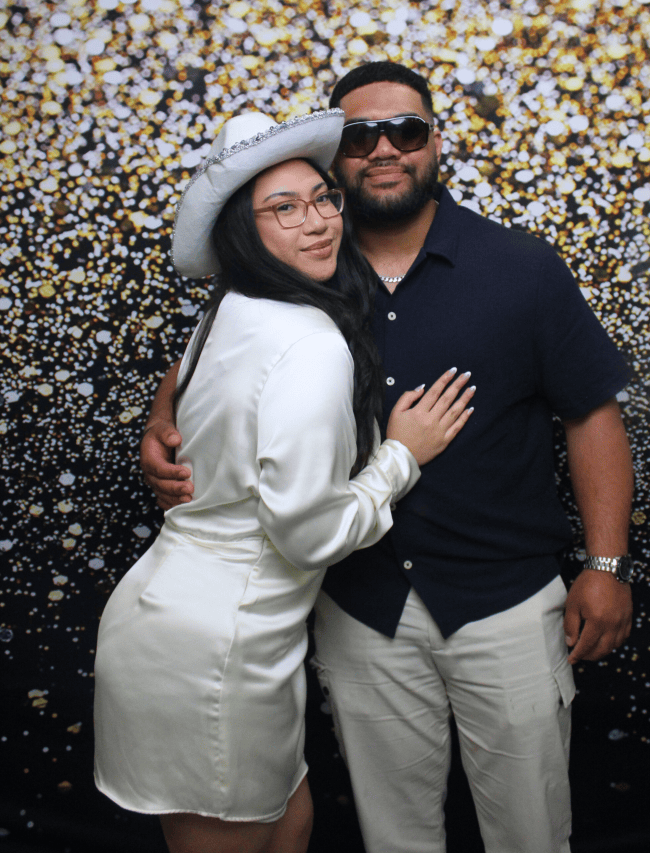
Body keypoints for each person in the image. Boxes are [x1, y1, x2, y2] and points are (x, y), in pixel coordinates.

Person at [141, 63, 635, 853]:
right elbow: (215, 354)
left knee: (531, 833)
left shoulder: (521, 267)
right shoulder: (297, 267)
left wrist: (605, 565)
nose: (382, 149)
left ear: (434, 142)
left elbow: (591, 413)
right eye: (358, 135)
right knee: (394, 836)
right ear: (334, 156)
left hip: (503, 597)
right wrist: (162, 418)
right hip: (360, 603)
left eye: (403, 130)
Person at [94, 107, 474, 853]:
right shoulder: (309, 345)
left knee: (290, 821)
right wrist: (400, 454)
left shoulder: (232, 311)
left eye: (322, 199)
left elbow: (208, 388)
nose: (318, 222)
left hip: (186, 621)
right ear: (244, 229)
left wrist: (156, 422)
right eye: (283, 208)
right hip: (216, 646)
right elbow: (306, 536)